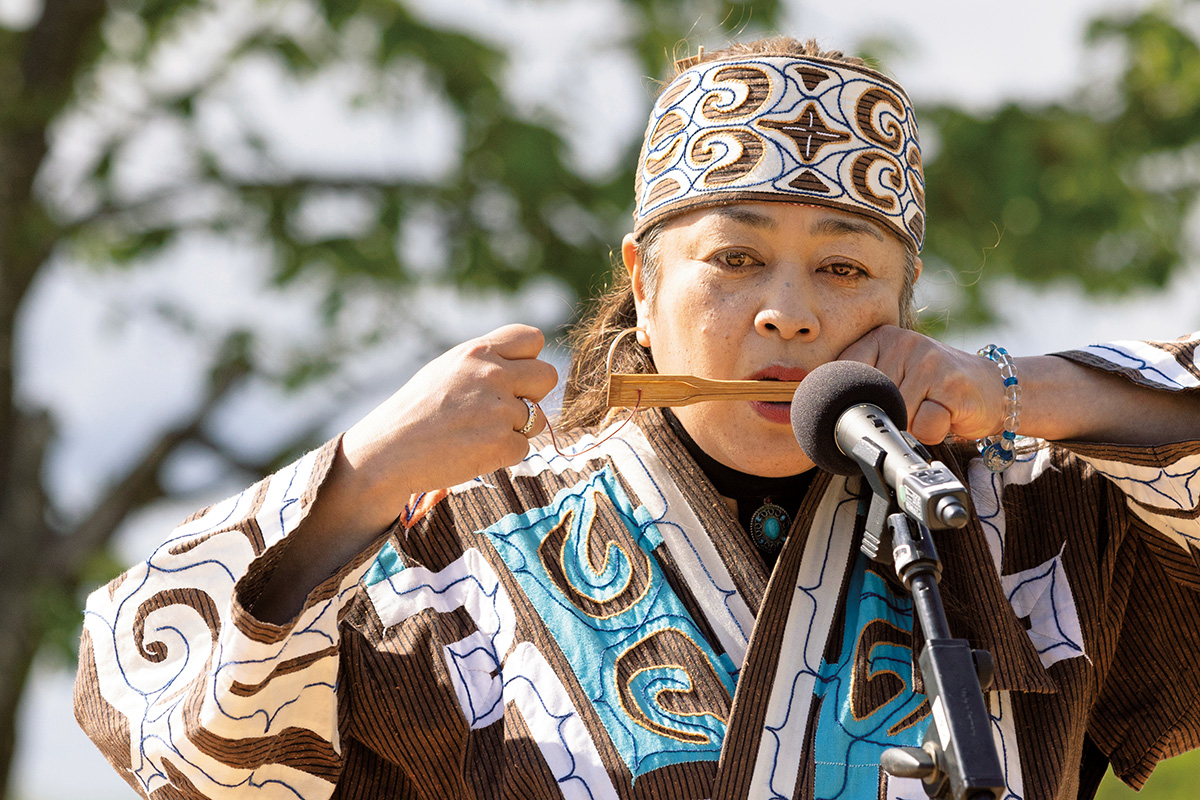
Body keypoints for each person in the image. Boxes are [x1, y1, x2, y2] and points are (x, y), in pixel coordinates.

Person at [74, 36, 1200, 800]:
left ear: (907, 309)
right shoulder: (464, 547)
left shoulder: (1026, 512)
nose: (789, 314)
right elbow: (170, 720)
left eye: (846, 269)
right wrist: (365, 473)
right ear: (644, 287)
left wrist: (1017, 392)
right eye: (736, 257)